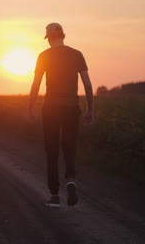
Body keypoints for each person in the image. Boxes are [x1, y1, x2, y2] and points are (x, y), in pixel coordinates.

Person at [28, 23, 94, 208]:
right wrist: (90, 109)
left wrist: (29, 108)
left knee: (52, 150)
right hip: (72, 108)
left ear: (48, 38)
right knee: (70, 146)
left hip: (50, 109)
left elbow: (35, 85)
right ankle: (71, 180)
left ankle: (55, 195)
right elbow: (87, 84)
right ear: (63, 36)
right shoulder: (76, 54)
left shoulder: (44, 56)